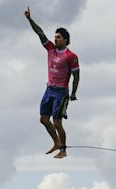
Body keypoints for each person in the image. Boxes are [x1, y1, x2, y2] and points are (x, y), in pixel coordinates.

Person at [24, 6, 80, 159]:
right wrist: (30, 19)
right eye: (55, 37)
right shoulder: (50, 49)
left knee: (57, 122)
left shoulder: (71, 56)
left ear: (66, 40)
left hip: (61, 93)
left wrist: (73, 93)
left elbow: (76, 76)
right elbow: (40, 33)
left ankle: (63, 149)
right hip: (49, 89)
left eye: (59, 37)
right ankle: (56, 142)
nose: (55, 39)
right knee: (43, 119)